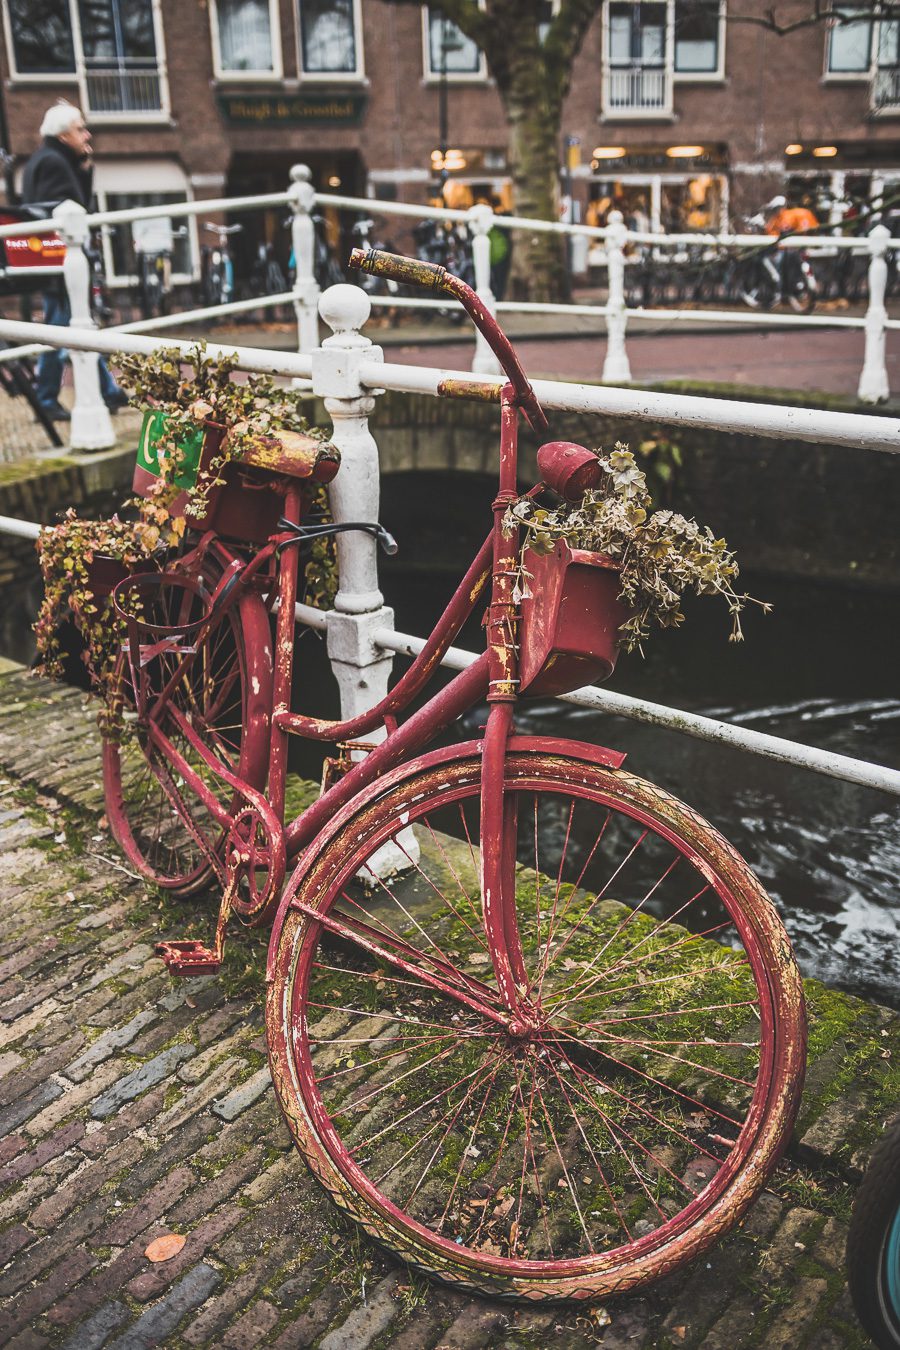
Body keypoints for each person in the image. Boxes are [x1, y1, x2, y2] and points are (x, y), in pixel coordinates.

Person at [21, 103, 127, 422]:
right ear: (63, 134)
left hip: (54, 262)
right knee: (62, 327)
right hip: (62, 264)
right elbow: (74, 209)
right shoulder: (54, 163)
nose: (86, 134)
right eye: (80, 128)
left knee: (74, 323)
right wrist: (83, 171)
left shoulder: (45, 159)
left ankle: (108, 391)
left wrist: (83, 167)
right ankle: (46, 398)